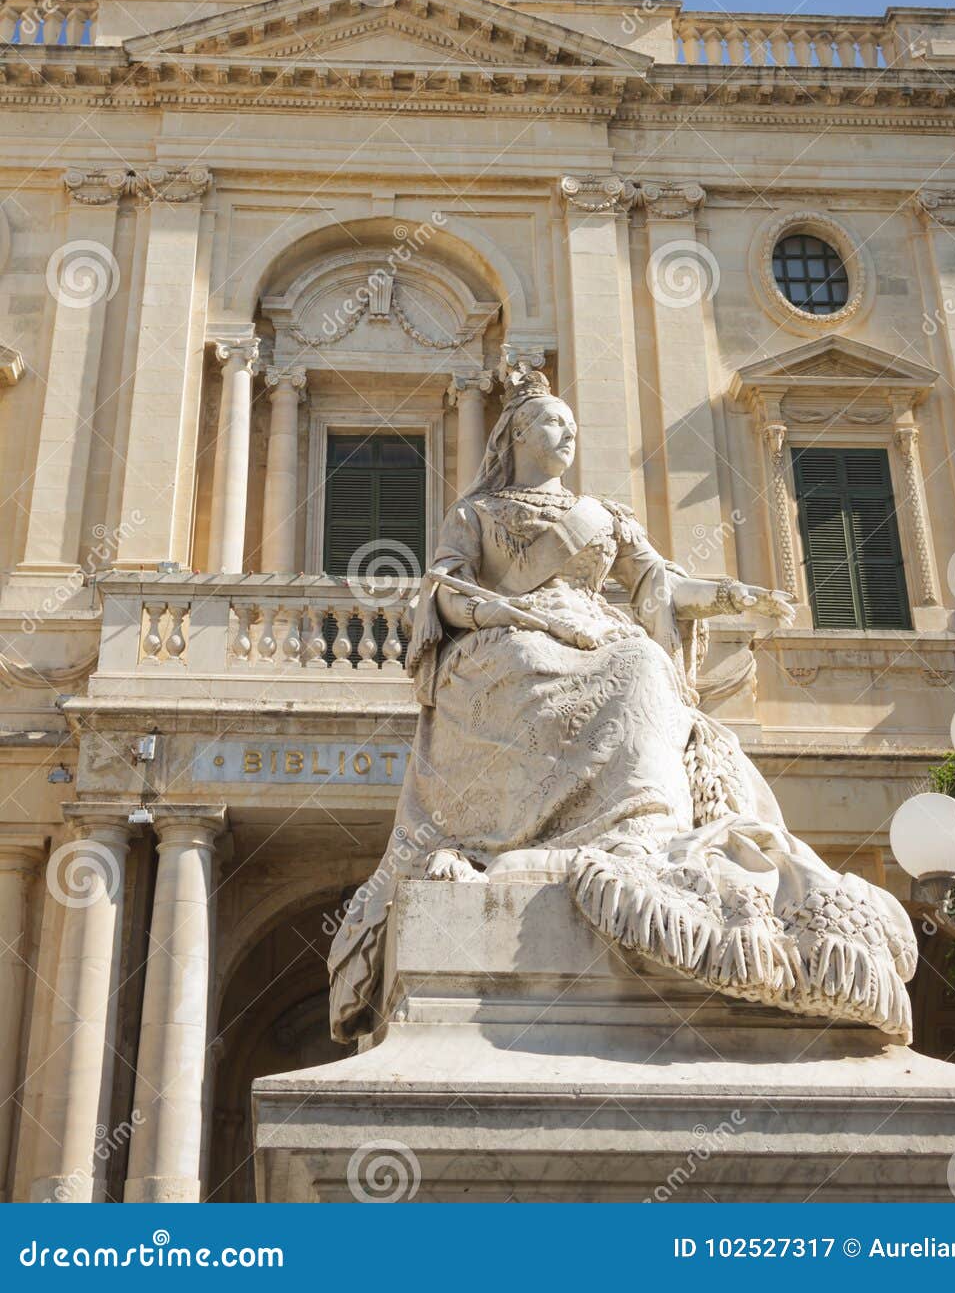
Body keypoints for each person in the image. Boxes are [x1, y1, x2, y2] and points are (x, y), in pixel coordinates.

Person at [328, 369, 916, 1042]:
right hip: (507, 640)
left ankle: (642, 831)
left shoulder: (603, 515)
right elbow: (444, 590)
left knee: (641, 665)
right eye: (552, 423)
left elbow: (659, 582)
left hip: (600, 637)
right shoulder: (476, 514)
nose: (568, 432)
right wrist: (510, 614)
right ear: (517, 432)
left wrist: (731, 597)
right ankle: (510, 830)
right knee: (526, 657)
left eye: (573, 425)